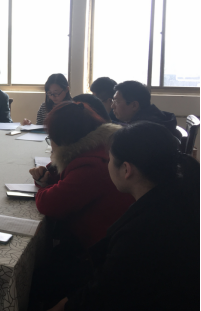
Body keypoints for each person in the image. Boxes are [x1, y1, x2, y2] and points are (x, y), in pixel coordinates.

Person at [49, 122, 200, 311]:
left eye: (109, 159)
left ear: (126, 170)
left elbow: (102, 294)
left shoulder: (142, 232)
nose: (107, 164)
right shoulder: (178, 194)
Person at [28, 102, 134, 309]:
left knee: (35, 281)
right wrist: (50, 172)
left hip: (99, 257)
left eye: (51, 138)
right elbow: (68, 175)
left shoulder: (92, 165)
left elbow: (49, 204)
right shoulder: (100, 147)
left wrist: (42, 184)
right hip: (106, 244)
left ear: (64, 139)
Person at [111, 80, 178, 136]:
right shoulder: (155, 117)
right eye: (113, 101)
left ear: (134, 105)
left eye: (116, 102)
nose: (112, 106)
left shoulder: (144, 131)